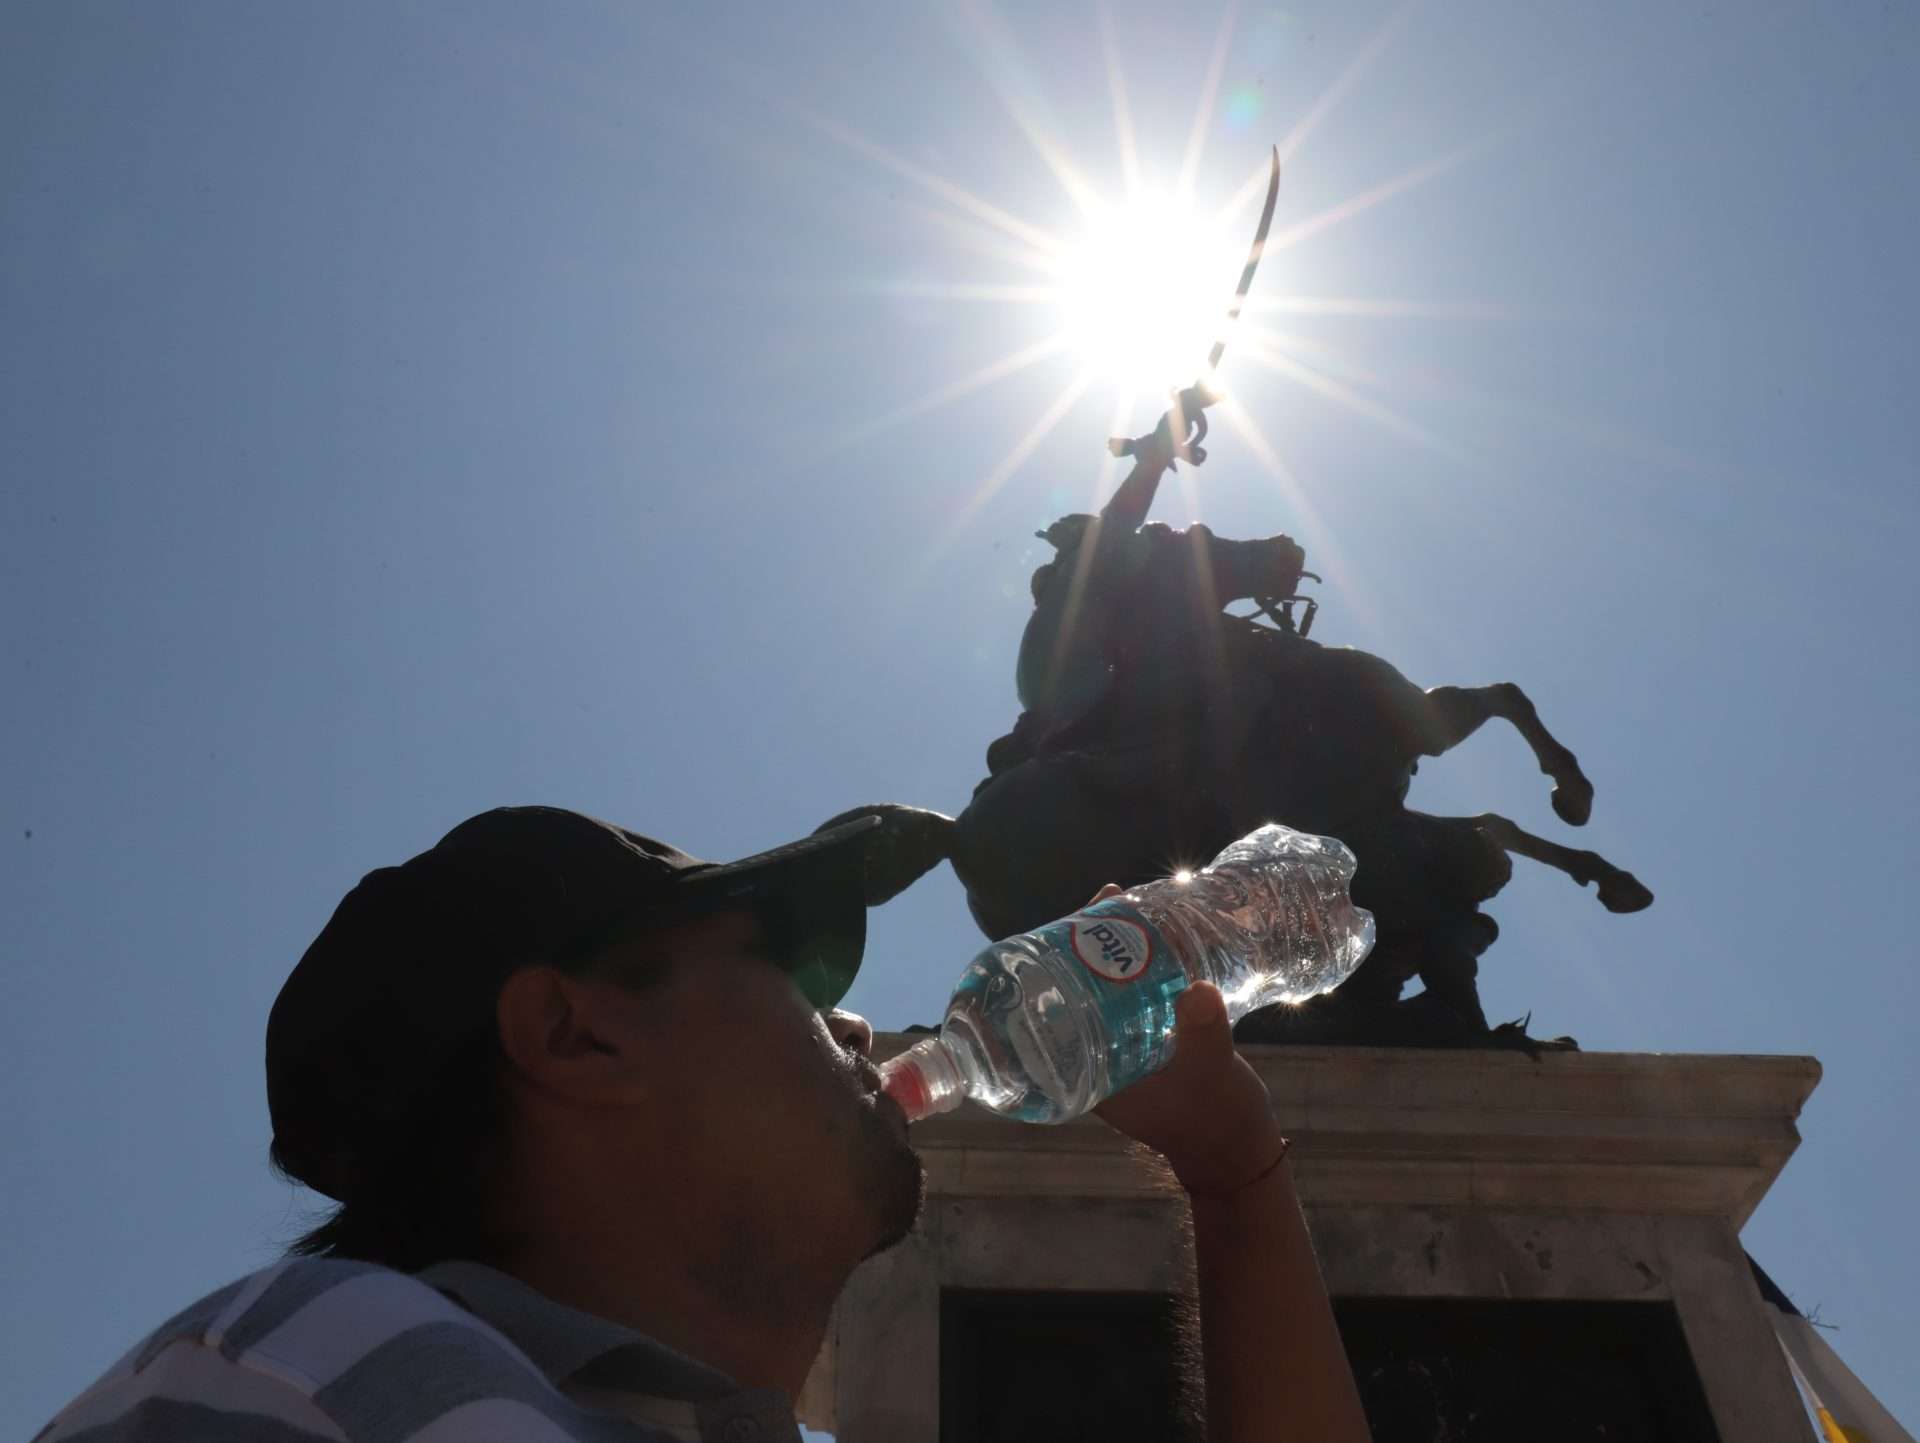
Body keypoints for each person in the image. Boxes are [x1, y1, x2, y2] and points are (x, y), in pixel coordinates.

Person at [35, 806, 1369, 1443]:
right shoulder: (314, 1370)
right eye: (784, 972)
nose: (860, 1026)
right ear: (578, 1037)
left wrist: (1233, 1176)